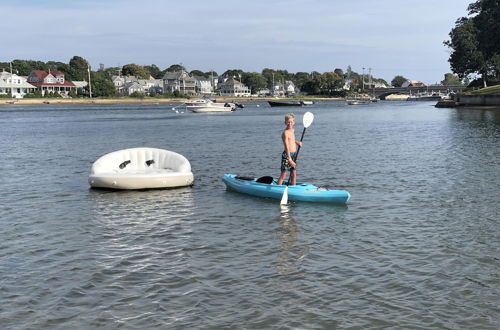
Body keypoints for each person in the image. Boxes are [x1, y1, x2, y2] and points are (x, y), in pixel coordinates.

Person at [277, 113, 302, 186]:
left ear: (294, 122)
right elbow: (286, 146)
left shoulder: (292, 130)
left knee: (293, 174)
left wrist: (297, 142)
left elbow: (291, 140)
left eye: (291, 122)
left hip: (294, 154)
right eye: (288, 122)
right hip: (287, 155)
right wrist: (290, 160)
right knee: (283, 175)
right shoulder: (285, 133)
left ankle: (293, 188)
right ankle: (278, 188)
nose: (290, 123)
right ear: (285, 122)